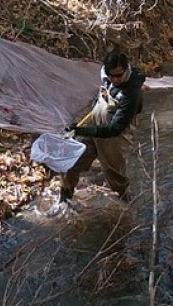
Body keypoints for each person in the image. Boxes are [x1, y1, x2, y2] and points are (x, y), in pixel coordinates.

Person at [57, 51, 145, 209]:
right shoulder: (106, 75)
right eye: (112, 76)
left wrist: (80, 131)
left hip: (114, 139)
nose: (116, 80)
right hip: (95, 127)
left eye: (119, 75)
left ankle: (127, 208)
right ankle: (64, 202)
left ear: (127, 69)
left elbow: (114, 129)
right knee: (70, 164)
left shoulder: (131, 94)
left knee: (115, 178)